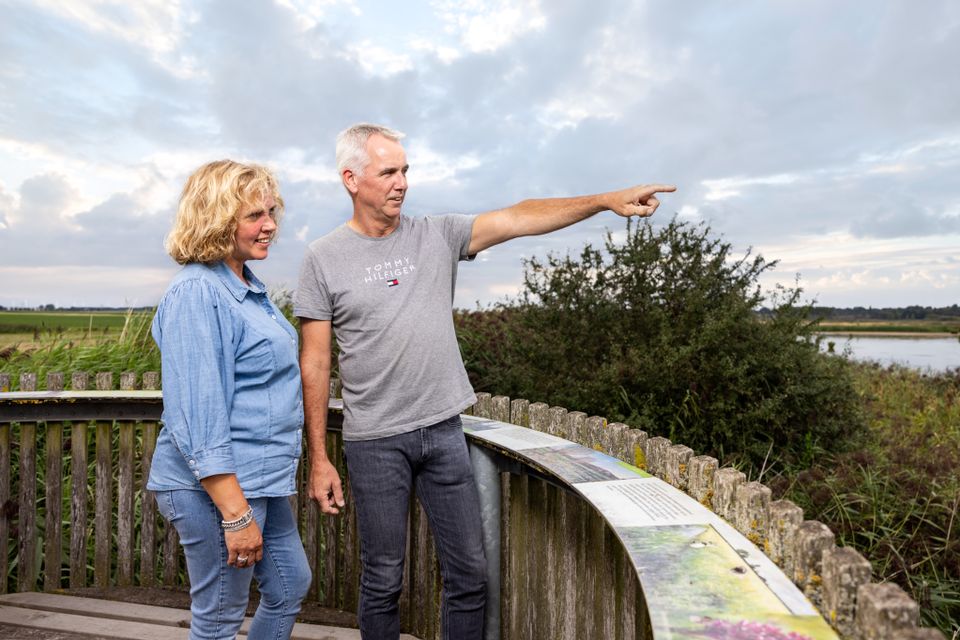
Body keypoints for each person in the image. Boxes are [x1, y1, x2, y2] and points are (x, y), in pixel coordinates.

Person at [294, 123, 675, 640]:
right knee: (383, 580)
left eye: (405, 170)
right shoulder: (322, 258)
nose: (402, 182)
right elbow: (315, 363)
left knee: (470, 577)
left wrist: (605, 201)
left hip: (443, 432)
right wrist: (319, 458)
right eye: (388, 172)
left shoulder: (436, 234)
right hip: (375, 441)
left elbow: (519, 216)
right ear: (351, 179)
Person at [148, 160, 311, 640]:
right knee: (220, 616)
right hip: (217, 487)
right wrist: (236, 515)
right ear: (217, 221)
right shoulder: (198, 292)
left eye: (271, 212)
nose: (270, 225)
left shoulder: (244, 285)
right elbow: (198, 418)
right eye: (254, 215)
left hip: (258, 478)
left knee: (289, 584)